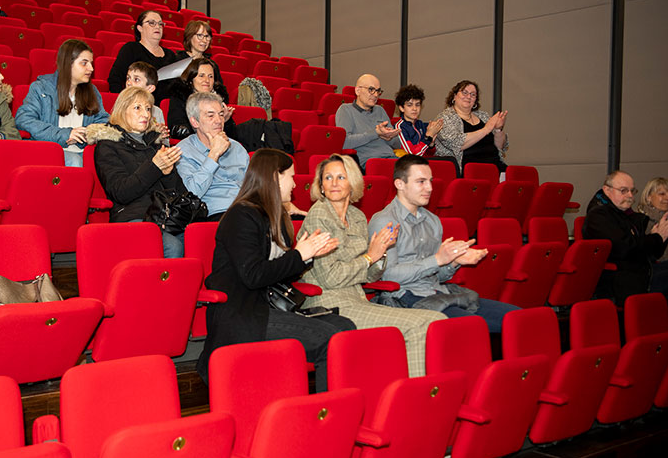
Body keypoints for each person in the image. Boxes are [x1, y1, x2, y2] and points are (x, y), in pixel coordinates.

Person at [195, 148, 355, 392]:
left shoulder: (276, 216)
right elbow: (254, 275)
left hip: (268, 307)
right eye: (290, 176)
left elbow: (279, 271)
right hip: (244, 314)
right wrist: (299, 255)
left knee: (346, 328)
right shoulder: (241, 216)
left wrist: (308, 257)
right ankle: (327, 415)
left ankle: (336, 407)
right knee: (331, 341)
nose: (294, 184)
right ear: (274, 178)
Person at [298, 154, 447, 377]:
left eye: (341, 176)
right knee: (426, 322)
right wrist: (370, 256)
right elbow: (332, 277)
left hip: (357, 298)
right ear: (320, 185)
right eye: (328, 178)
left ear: (353, 182)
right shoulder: (319, 215)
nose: (334, 183)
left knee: (434, 322)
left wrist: (381, 253)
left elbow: (370, 276)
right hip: (329, 304)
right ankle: (413, 400)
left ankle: (406, 392)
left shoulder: (356, 216)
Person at [368, 155, 519, 334]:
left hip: (438, 293)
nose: (430, 188)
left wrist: (454, 262)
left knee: (517, 318)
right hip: (406, 298)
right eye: (421, 182)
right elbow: (389, 276)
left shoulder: (433, 221)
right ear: (400, 184)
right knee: (473, 326)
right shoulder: (385, 221)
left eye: (430, 181)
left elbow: (437, 276)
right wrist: (438, 259)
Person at [88, 86, 186, 258]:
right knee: (172, 247)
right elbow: (121, 192)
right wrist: (154, 167)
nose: (146, 114)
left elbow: (179, 193)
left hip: (164, 215)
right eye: (137, 108)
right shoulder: (108, 145)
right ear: (122, 110)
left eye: (148, 109)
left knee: (201, 237)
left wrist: (169, 173)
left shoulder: (155, 143)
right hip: (132, 215)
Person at [583, 170, 668, 304]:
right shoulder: (599, 217)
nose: (630, 196)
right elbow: (625, 248)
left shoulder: (629, 216)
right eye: (623, 191)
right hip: (627, 281)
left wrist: (663, 236)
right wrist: (657, 237)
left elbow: (653, 254)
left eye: (632, 191)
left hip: (644, 272)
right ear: (607, 190)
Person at [15, 39, 110, 167]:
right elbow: (24, 119)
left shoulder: (92, 91)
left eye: (91, 63)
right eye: (84, 63)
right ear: (67, 63)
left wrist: (90, 132)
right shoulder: (41, 88)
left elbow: (103, 120)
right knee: (75, 161)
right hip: (51, 149)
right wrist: (66, 134)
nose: (91, 68)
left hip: (83, 150)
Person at [176, 91, 248, 221]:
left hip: (247, 210)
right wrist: (213, 154)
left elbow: (253, 186)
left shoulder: (237, 148)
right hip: (215, 213)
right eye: (210, 116)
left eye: (221, 115)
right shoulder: (183, 151)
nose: (218, 121)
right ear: (195, 122)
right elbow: (191, 193)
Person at [433, 80, 508, 173]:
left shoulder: (483, 116)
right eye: (464, 93)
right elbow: (457, 143)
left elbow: (500, 147)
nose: (468, 97)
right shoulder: (444, 118)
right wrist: (486, 129)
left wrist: (497, 129)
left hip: (495, 167)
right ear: (454, 96)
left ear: (475, 100)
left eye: (473, 94)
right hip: (467, 171)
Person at [107, 10, 176, 101]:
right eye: (152, 23)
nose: (157, 27)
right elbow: (115, 79)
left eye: (160, 24)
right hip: (137, 103)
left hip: (167, 107)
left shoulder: (170, 54)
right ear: (140, 28)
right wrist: (125, 103)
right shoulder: (131, 49)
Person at [335, 74, 398, 168]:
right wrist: (375, 133)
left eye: (378, 91)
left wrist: (390, 137)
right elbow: (344, 143)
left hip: (391, 158)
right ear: (358, 91)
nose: (376, 95)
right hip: (370, 161)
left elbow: (397, 144)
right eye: (371, 90)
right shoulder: (345, 110)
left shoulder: (380, 110)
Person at [166, 57, 233, 139]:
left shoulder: (218, 101)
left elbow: (233, 136)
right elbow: (177, 131)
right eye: (201, 76)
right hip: (191, 145)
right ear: (191, 79)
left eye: (210, 76)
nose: (207, 80)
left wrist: (224, 121)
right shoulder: (180, 97)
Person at [379, 84, 442, 157]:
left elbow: (429, 154)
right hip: (410, 164)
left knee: (450, 160)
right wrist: (428, 137)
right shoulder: (399, 128)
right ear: (401, 108)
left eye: (417, 105)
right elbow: (412, 155)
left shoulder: (420, 124)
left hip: (423, 162)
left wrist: (431, 144)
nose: (414, 108)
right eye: (410, 105)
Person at [125, 61, 167, 128]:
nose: (129, 82)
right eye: (128, 78)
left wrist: (160, 135)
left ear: (150, 88)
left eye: (136, 79)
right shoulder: (122, 106)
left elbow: (162, 137)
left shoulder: (157, 112)